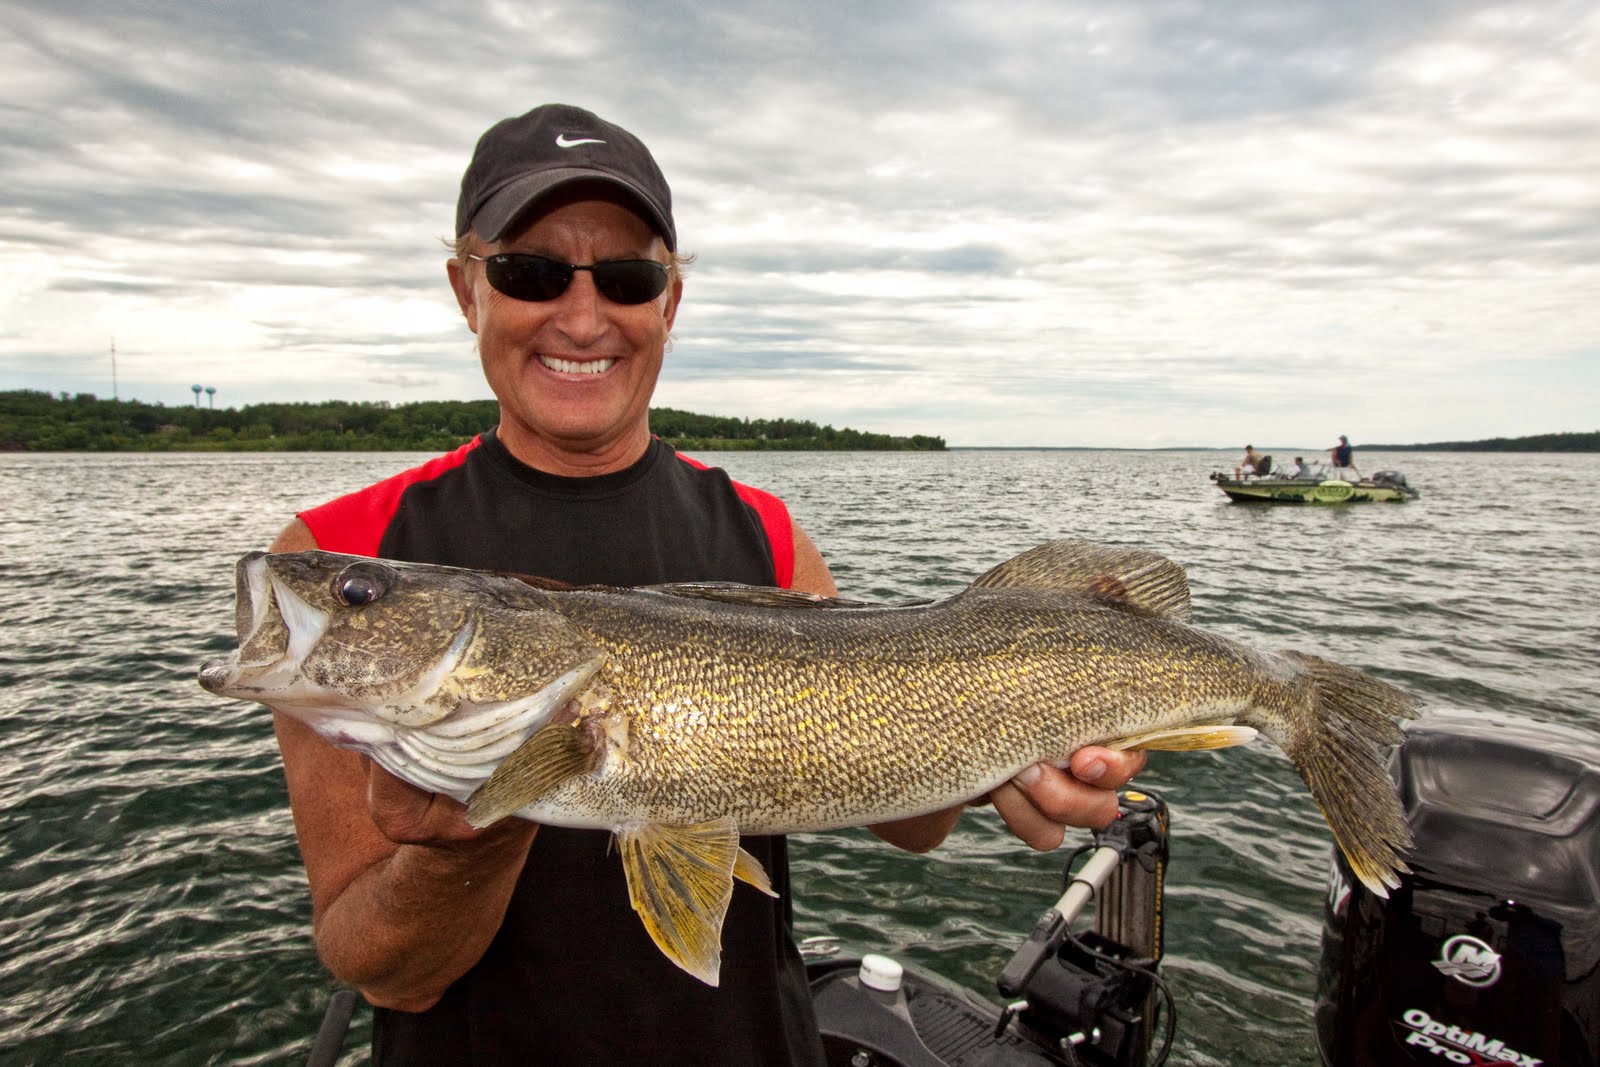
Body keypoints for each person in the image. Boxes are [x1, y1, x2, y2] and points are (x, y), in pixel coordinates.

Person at [265, 103, 1145, 1065]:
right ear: (465, 288)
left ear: (670, 303)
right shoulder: (348, 551)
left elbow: (913, 816)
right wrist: (470, 834)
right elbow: (382, 968)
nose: (583, 316)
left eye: (630, 277)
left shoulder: (765, 532)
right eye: (532, 270)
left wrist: (1010, 756)